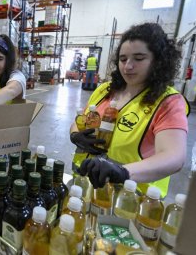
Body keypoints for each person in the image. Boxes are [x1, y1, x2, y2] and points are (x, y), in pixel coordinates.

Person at [69, 23, 189, 198]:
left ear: (158, 61)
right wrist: (75, 135)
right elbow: (78, 123)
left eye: (139, 58)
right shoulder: (104, 90)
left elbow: (174, 157)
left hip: (129, 198)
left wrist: (123, 172)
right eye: (123, 59)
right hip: (85, 186)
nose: (128, 66)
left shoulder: (167, 102)